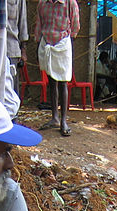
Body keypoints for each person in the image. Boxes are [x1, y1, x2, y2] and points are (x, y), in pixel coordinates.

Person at [34, 0, 80, 137]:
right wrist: (38, 42)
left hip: (62, 43)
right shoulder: (42, 3)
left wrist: (68, 40)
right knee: (51, 81)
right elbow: (39, 25)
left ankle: (63, 121)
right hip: (46, 44)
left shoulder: (70, 3)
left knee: (63, 81)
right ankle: (55, 118)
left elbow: (75, 26)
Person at [5, 0, 29, 115]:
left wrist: (23, 50)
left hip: (11, 48)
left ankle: (13, 120)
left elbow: (23, 23)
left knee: (11, 90)